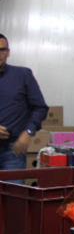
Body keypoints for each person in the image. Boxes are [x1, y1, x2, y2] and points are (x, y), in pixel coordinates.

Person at [0, 33, 48, 182]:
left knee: (13, 198)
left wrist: (29, 131)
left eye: (1, 50)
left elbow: (40, 107)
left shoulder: (22, 75)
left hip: (13, 150)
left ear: (8, 52)